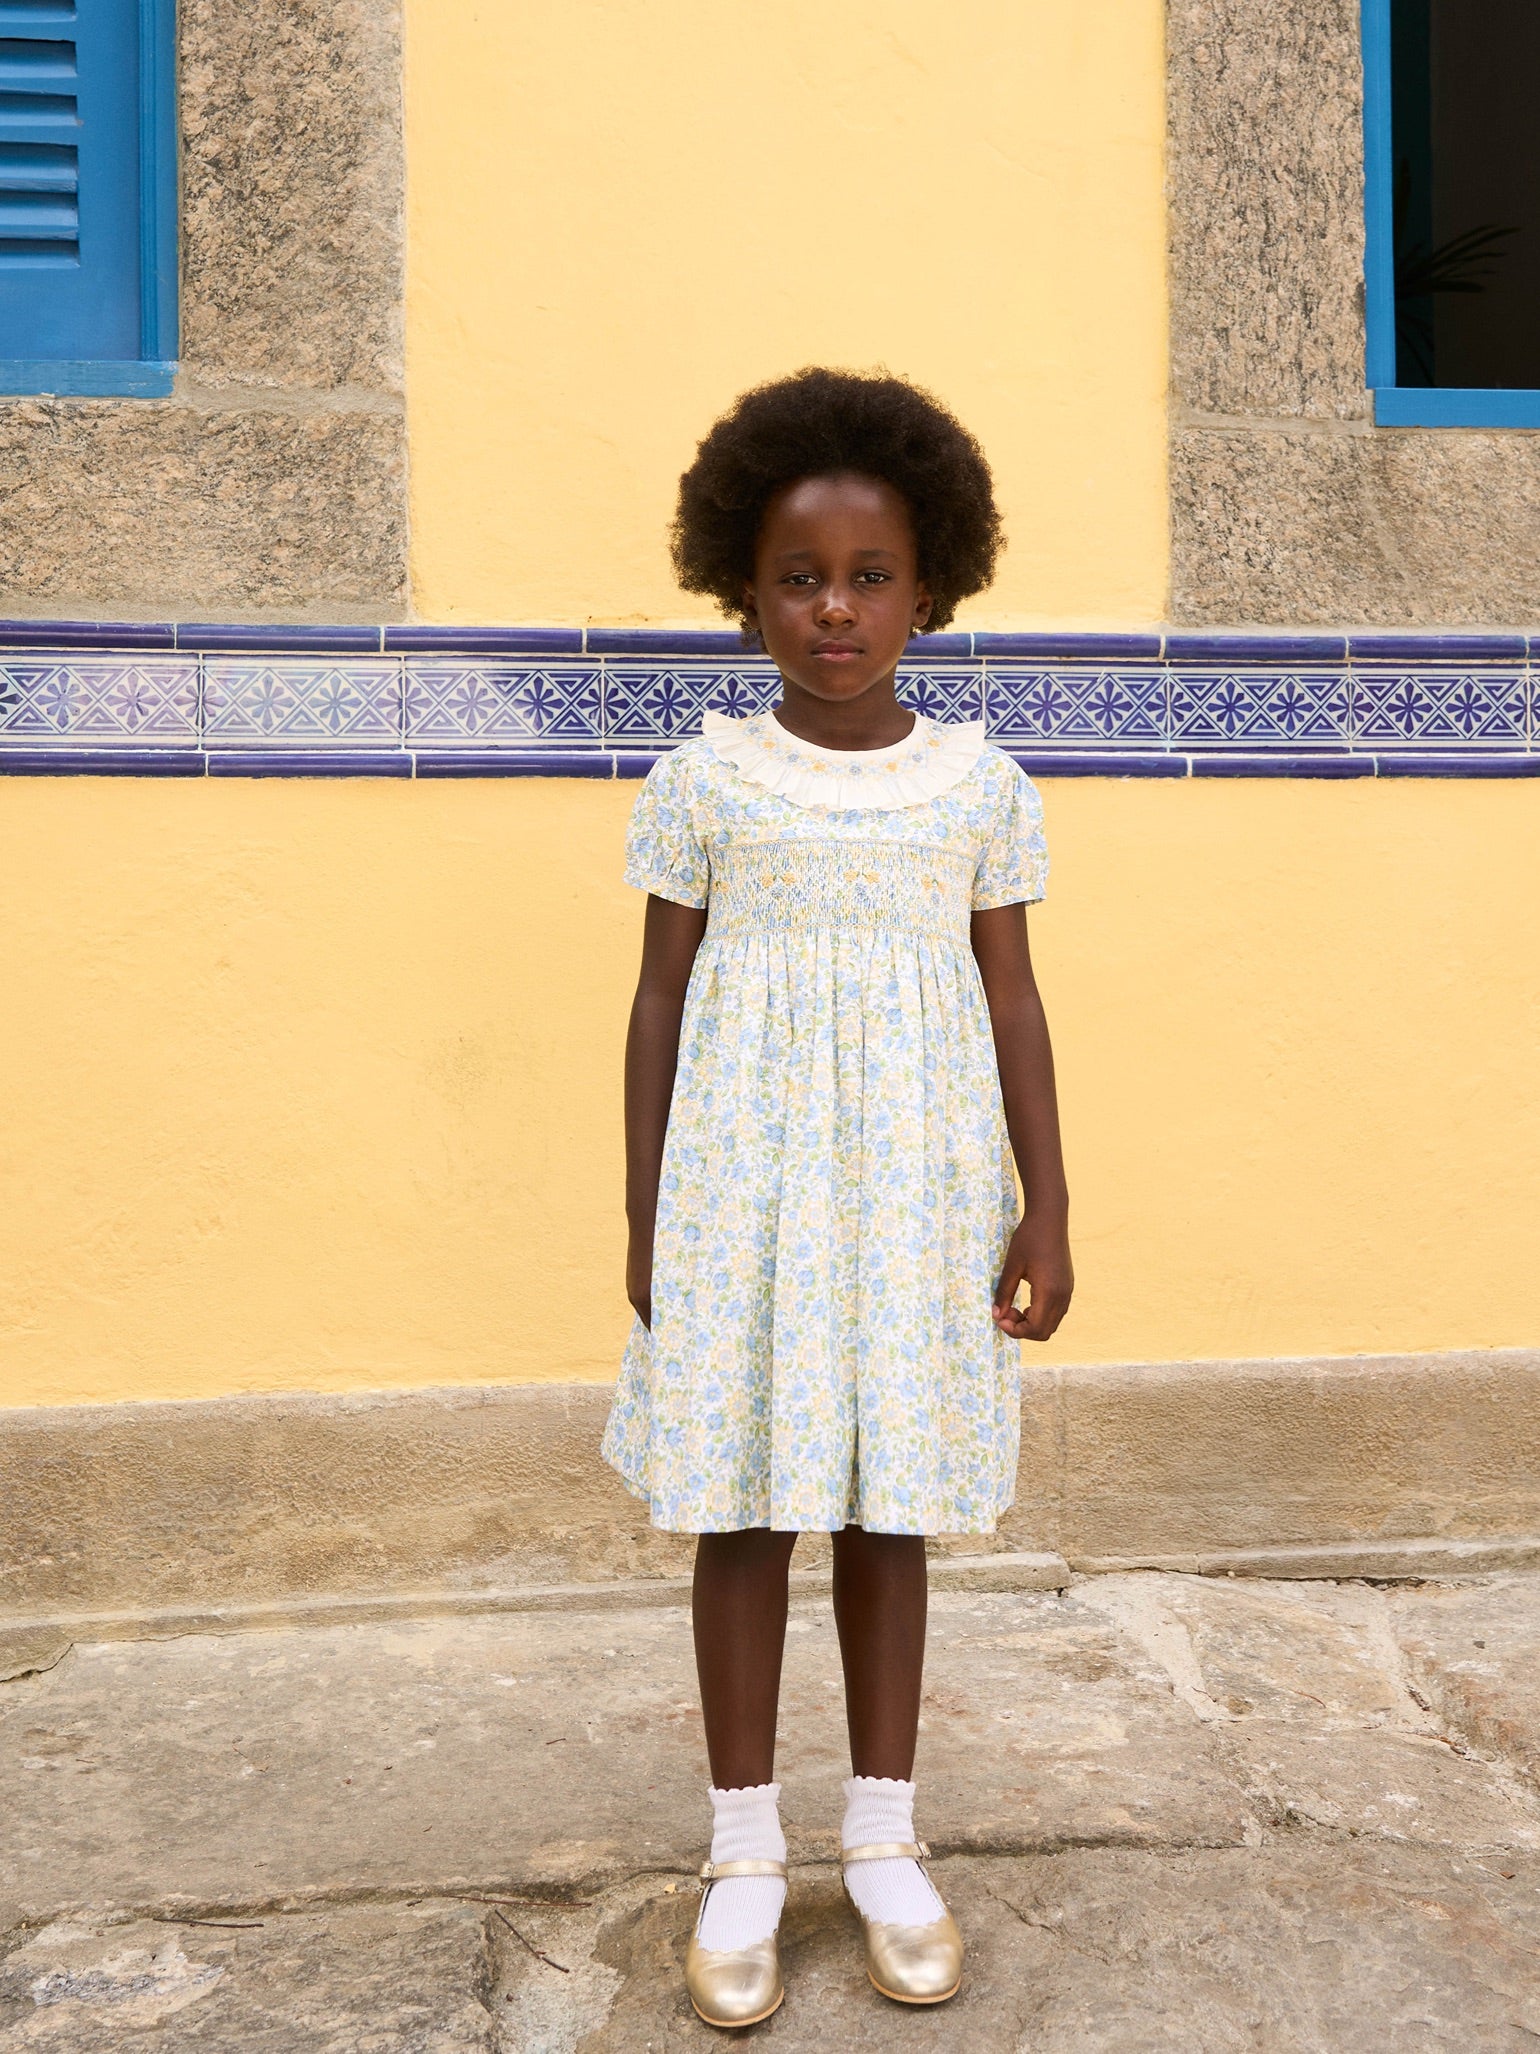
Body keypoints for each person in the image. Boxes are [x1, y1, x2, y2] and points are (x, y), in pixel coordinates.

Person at [603, 366, 1073, 2028]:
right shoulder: (708, 778)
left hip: (921, 1194)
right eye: (800, 577)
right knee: (743, 1504)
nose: (836, 609)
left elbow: (1012, 1000)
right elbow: (659, 1001)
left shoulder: (978, 785)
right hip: (744, 1190)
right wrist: (647, 1211)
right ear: (744, 589)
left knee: (888, 1504)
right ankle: (744, 1850)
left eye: (871, 575)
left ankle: (883, 1838)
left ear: (931, 584)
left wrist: (1049, 1206)